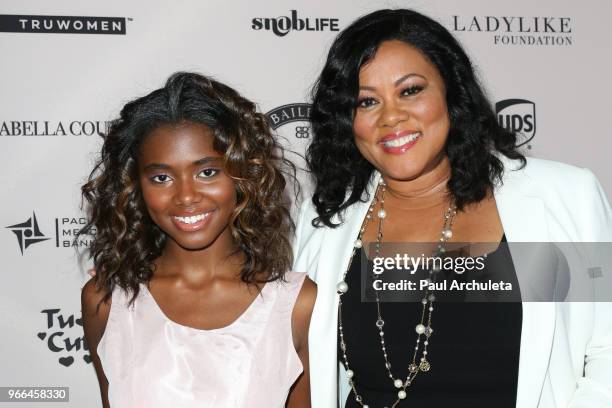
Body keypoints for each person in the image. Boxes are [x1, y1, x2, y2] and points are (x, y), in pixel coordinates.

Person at [293, 9, 612, 408]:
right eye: (367, 101)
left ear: (451, 90)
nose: (391, 117)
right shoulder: (326, 218)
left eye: (410, 90)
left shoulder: (565, 195)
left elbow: (607, 354)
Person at [80, 72, 316, 408]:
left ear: (242, 175)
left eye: (207, 172)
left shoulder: (296, 304)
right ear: (135, 187)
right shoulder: (105, 300)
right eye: (161, 177)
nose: (186, 196)